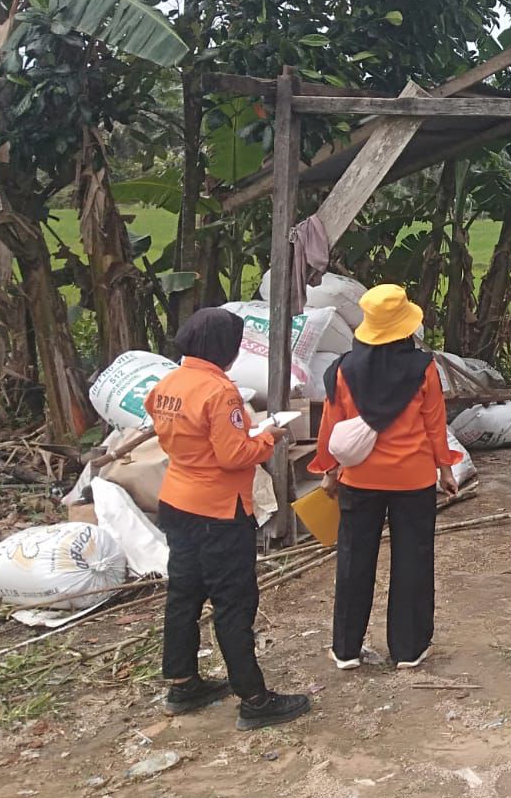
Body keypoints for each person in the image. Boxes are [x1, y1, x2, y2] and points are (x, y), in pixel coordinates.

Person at [146, 307, 311, 731]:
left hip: (178, 500)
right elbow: (233, 456)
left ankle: (183, 683)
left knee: (184, 595)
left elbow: (187, 438)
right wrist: (268, 439)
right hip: (218, 510)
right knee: (234, 602)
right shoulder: (220, 393)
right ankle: (254, 697)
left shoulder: (168, 384)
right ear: (225, 349)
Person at [312, 284, 458, 671]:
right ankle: (408, 650)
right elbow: (434, 423)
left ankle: (345, 649)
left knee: (353, 559)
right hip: (413, 479)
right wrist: (445, 468)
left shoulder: (343, 369)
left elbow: (332, 426)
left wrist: (329, 472)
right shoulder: (423, 368)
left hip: (360, 479)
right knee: (413, 559)